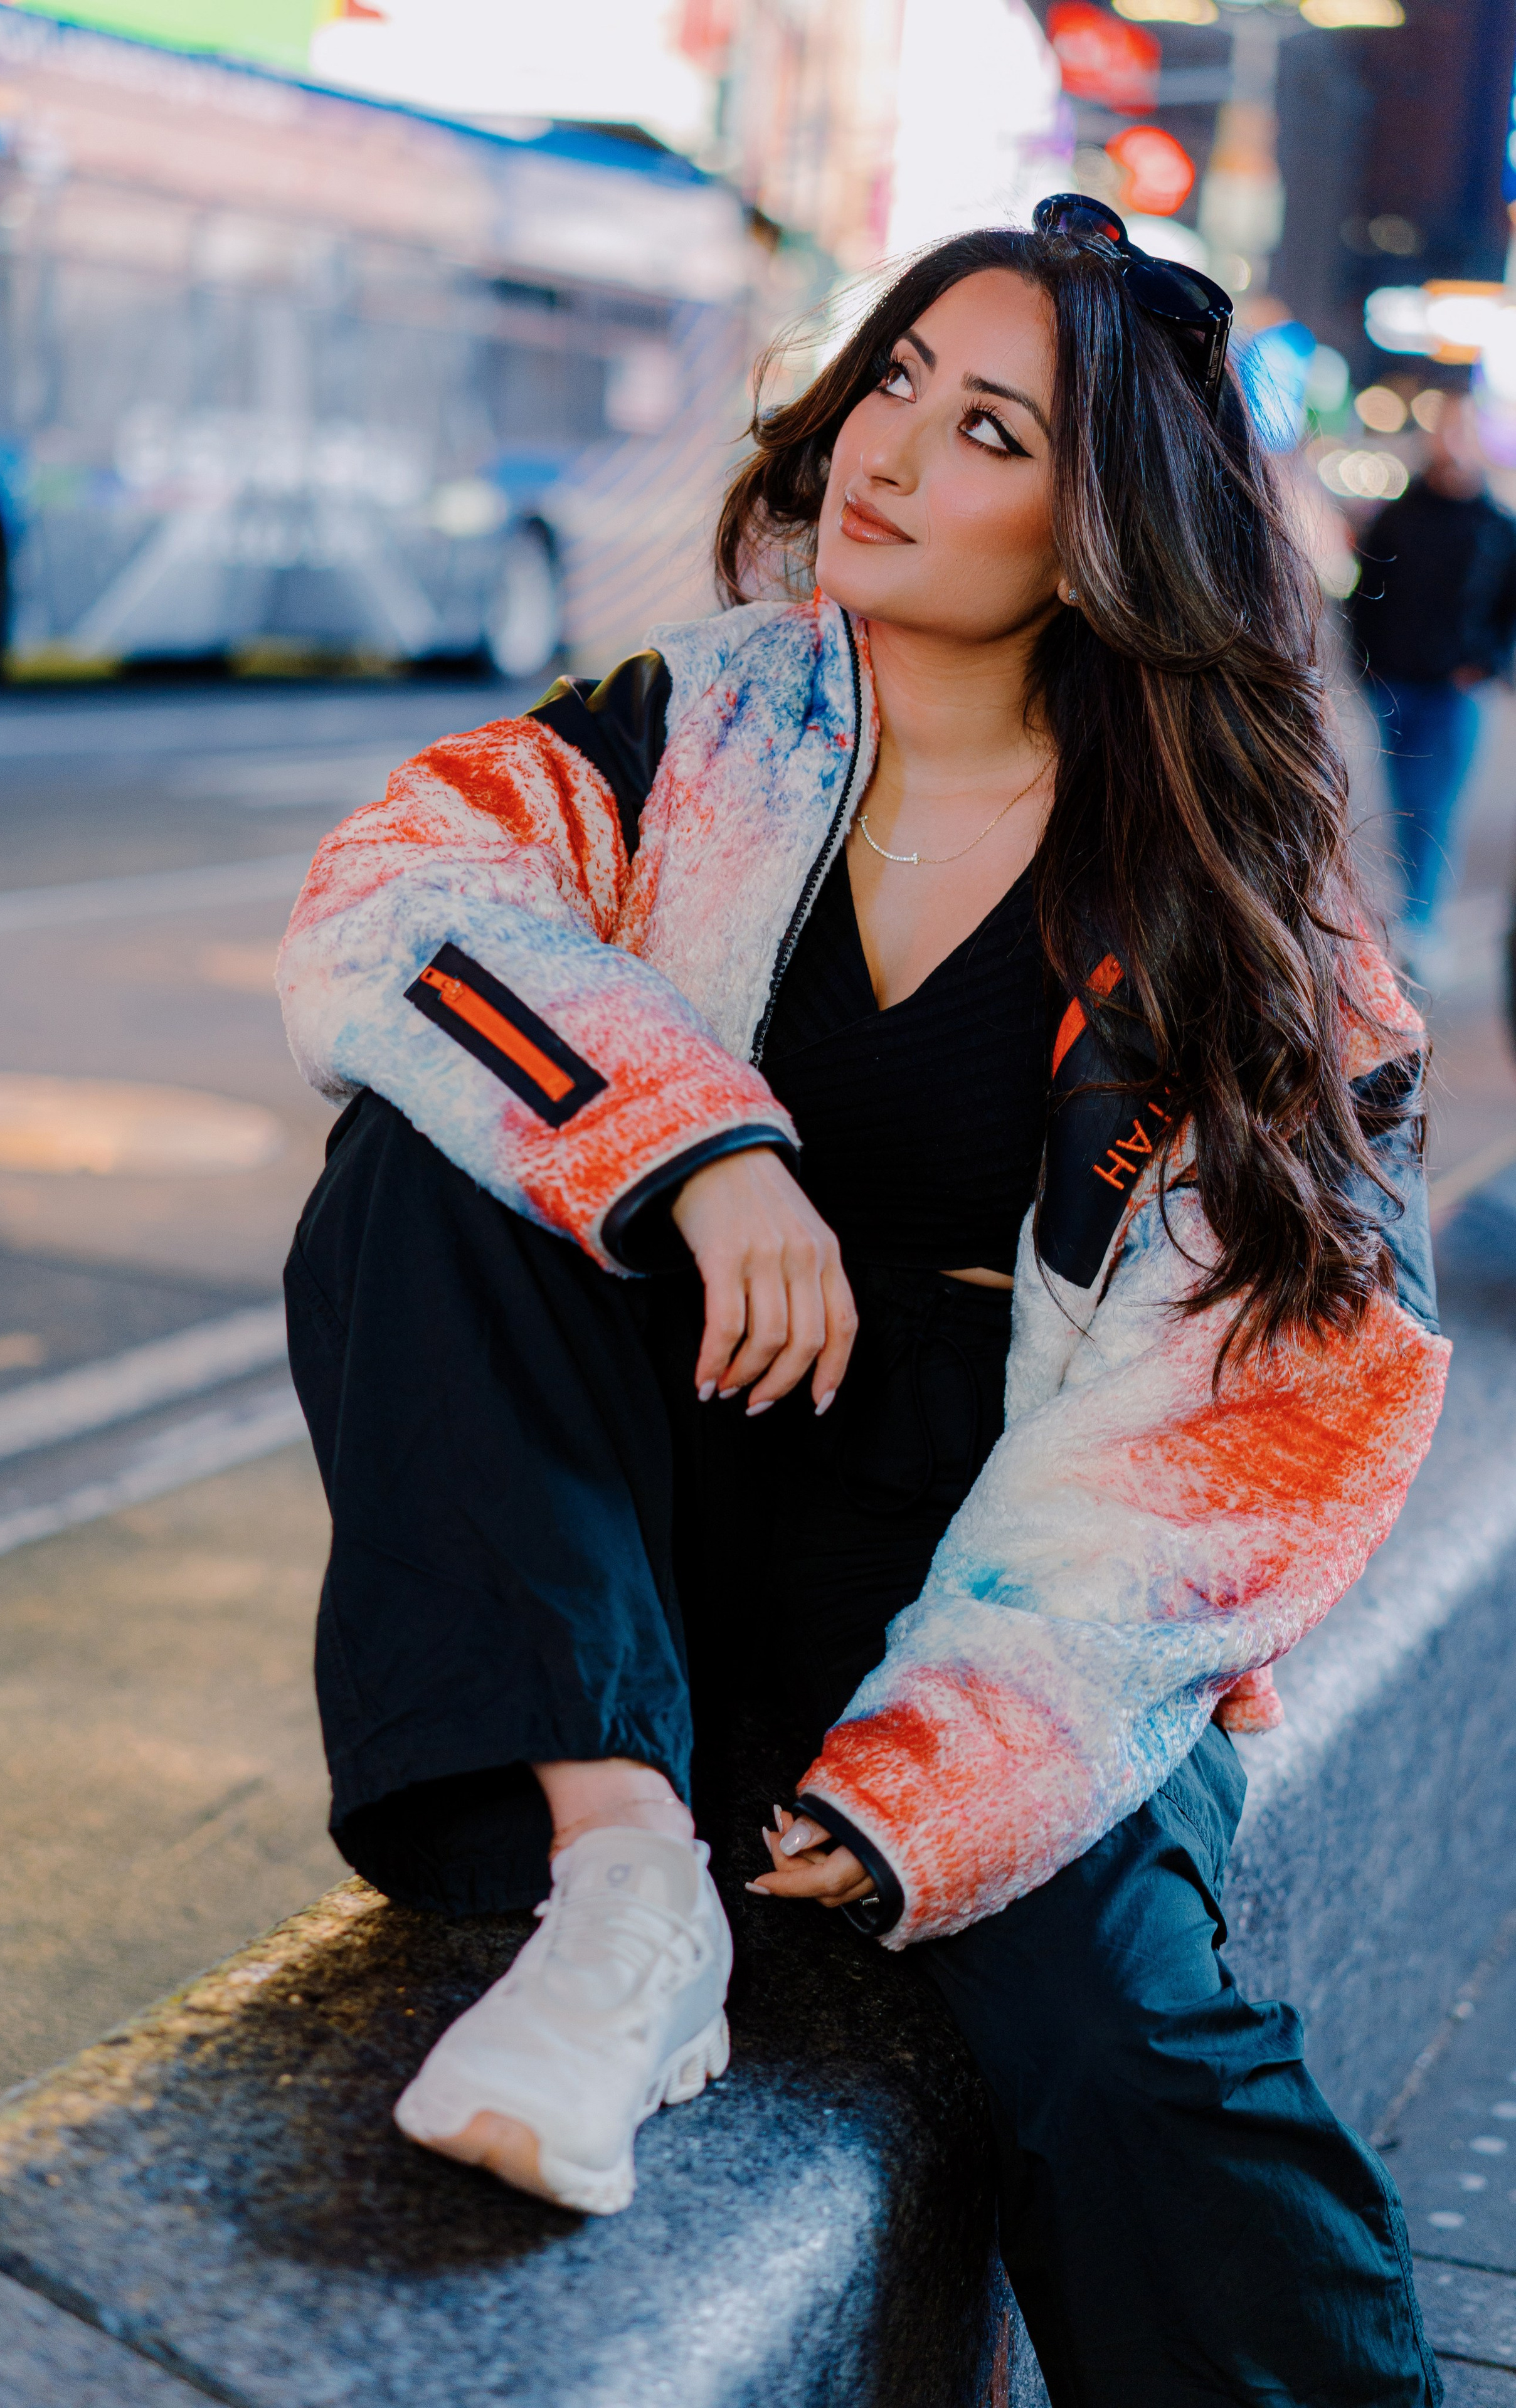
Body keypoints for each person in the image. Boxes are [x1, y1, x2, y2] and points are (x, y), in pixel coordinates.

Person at [278, 197, 1449, 2404]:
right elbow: (392, 913)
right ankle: (623, 1890)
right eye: (895, 375)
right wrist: (700, 1151)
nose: (889, 448)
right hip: (672, 1506)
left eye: (988, 425)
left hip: (1008, 1576)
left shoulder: (1237, 920)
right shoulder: (681, 731)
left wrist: (945, 1776)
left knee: (1129, 2054)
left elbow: (1267, 1421)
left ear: (1105, 538)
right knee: (416, 1154)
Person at [1349, 391, 1516, 983]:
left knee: (1435, 807)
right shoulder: (1399, 515)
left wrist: (1490, 662)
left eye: (1461, 431)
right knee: (1402, 802)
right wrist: (1365, 663)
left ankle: (1421, 922)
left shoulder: (1497, 526)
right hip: (1395, 684)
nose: (1450, 441)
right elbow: (1365, 595)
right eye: (1443, 430)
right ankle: (1417, 917)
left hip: (1453, 691)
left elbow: (1509, 610)